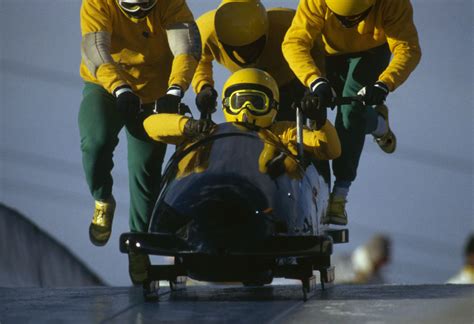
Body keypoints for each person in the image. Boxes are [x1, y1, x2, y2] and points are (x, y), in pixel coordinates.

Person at [79, 0, 201, 284]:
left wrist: (175, 90)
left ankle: (139, 245)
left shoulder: (171, 4)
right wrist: (120, 88)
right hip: (106, 87)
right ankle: (102, 199)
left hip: (154, 92)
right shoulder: (97, 3)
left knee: (145, 171)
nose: (139, 11)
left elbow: (187, 46)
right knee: (95, 142)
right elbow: (95, 49)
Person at [282, 0, 422, 225]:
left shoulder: (393, 4)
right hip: (327, 51)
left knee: (350, 113)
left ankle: (340, 193)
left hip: (371, 52)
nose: (347, 23)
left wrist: (384, 84)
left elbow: (408, 49)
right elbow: (293, 43)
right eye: (340, 17)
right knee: (314, 112)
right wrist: (315, 81)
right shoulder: (315, 1)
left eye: (354, 18)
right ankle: (376, 123)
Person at [144, 68, 341, 164]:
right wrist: (189, 126)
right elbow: (151, 126)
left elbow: (332, 151)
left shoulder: (285, 132)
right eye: (239, 102)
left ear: (273, 106)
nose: (245, 110)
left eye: (256, 102)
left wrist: (320, 121)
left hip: (267, 199)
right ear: (226, 105)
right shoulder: (211, 131)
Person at [192, 0, 324, 122]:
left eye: (251, 47)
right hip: (246, 88)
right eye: (238, 49)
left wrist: (313, 85)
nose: (246, 54)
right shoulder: (204, 31)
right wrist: (204, 86)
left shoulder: (288, 24)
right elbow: (197, 60)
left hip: (290, 86)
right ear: (221, 40)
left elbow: (319, 49)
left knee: (289, 136)